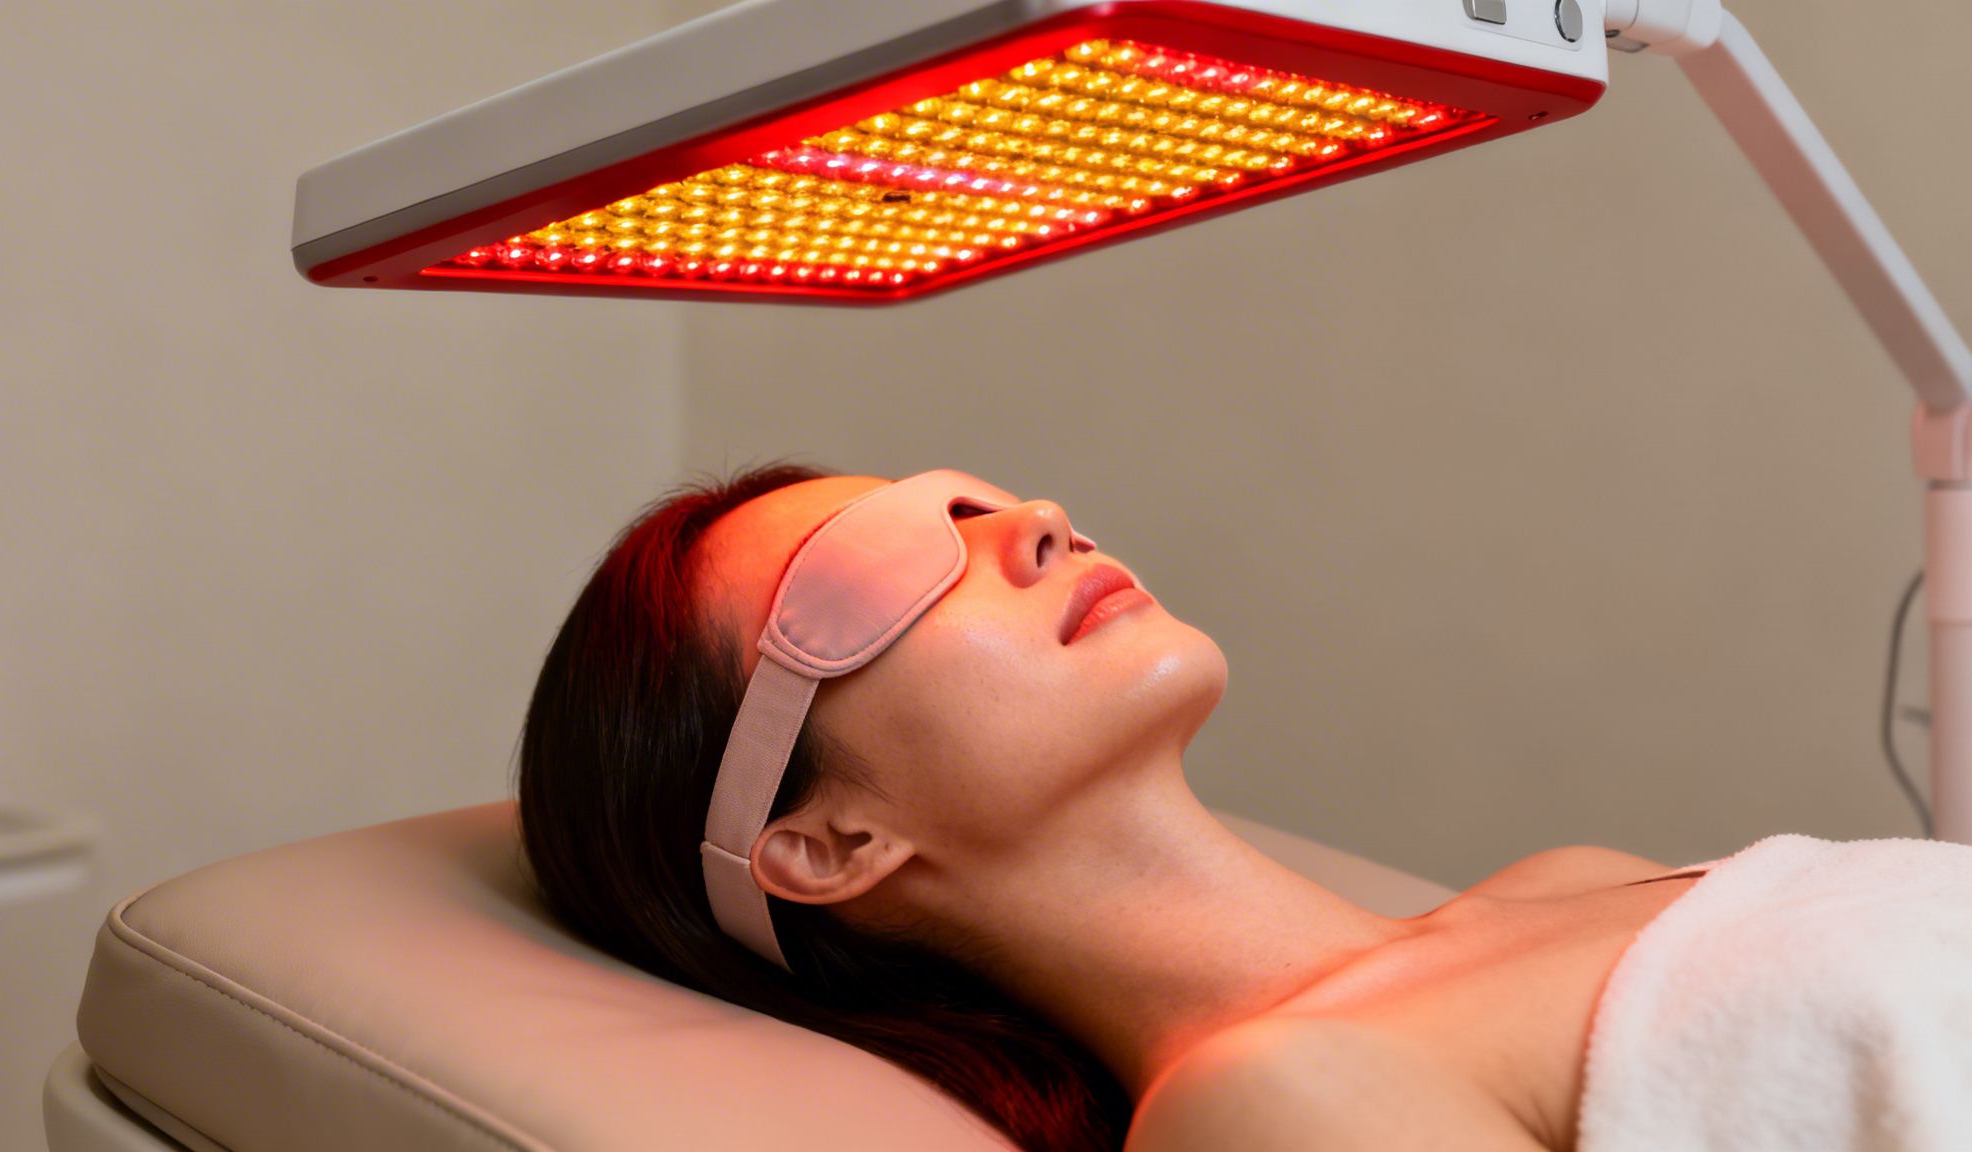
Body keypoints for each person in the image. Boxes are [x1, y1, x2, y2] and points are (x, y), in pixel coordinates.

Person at [515, 463, 1717, 1152]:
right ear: (829, 844)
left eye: (971, 501)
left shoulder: (1575, 877)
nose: (1038, 521)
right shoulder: (1271, 1106)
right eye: (880, 565)